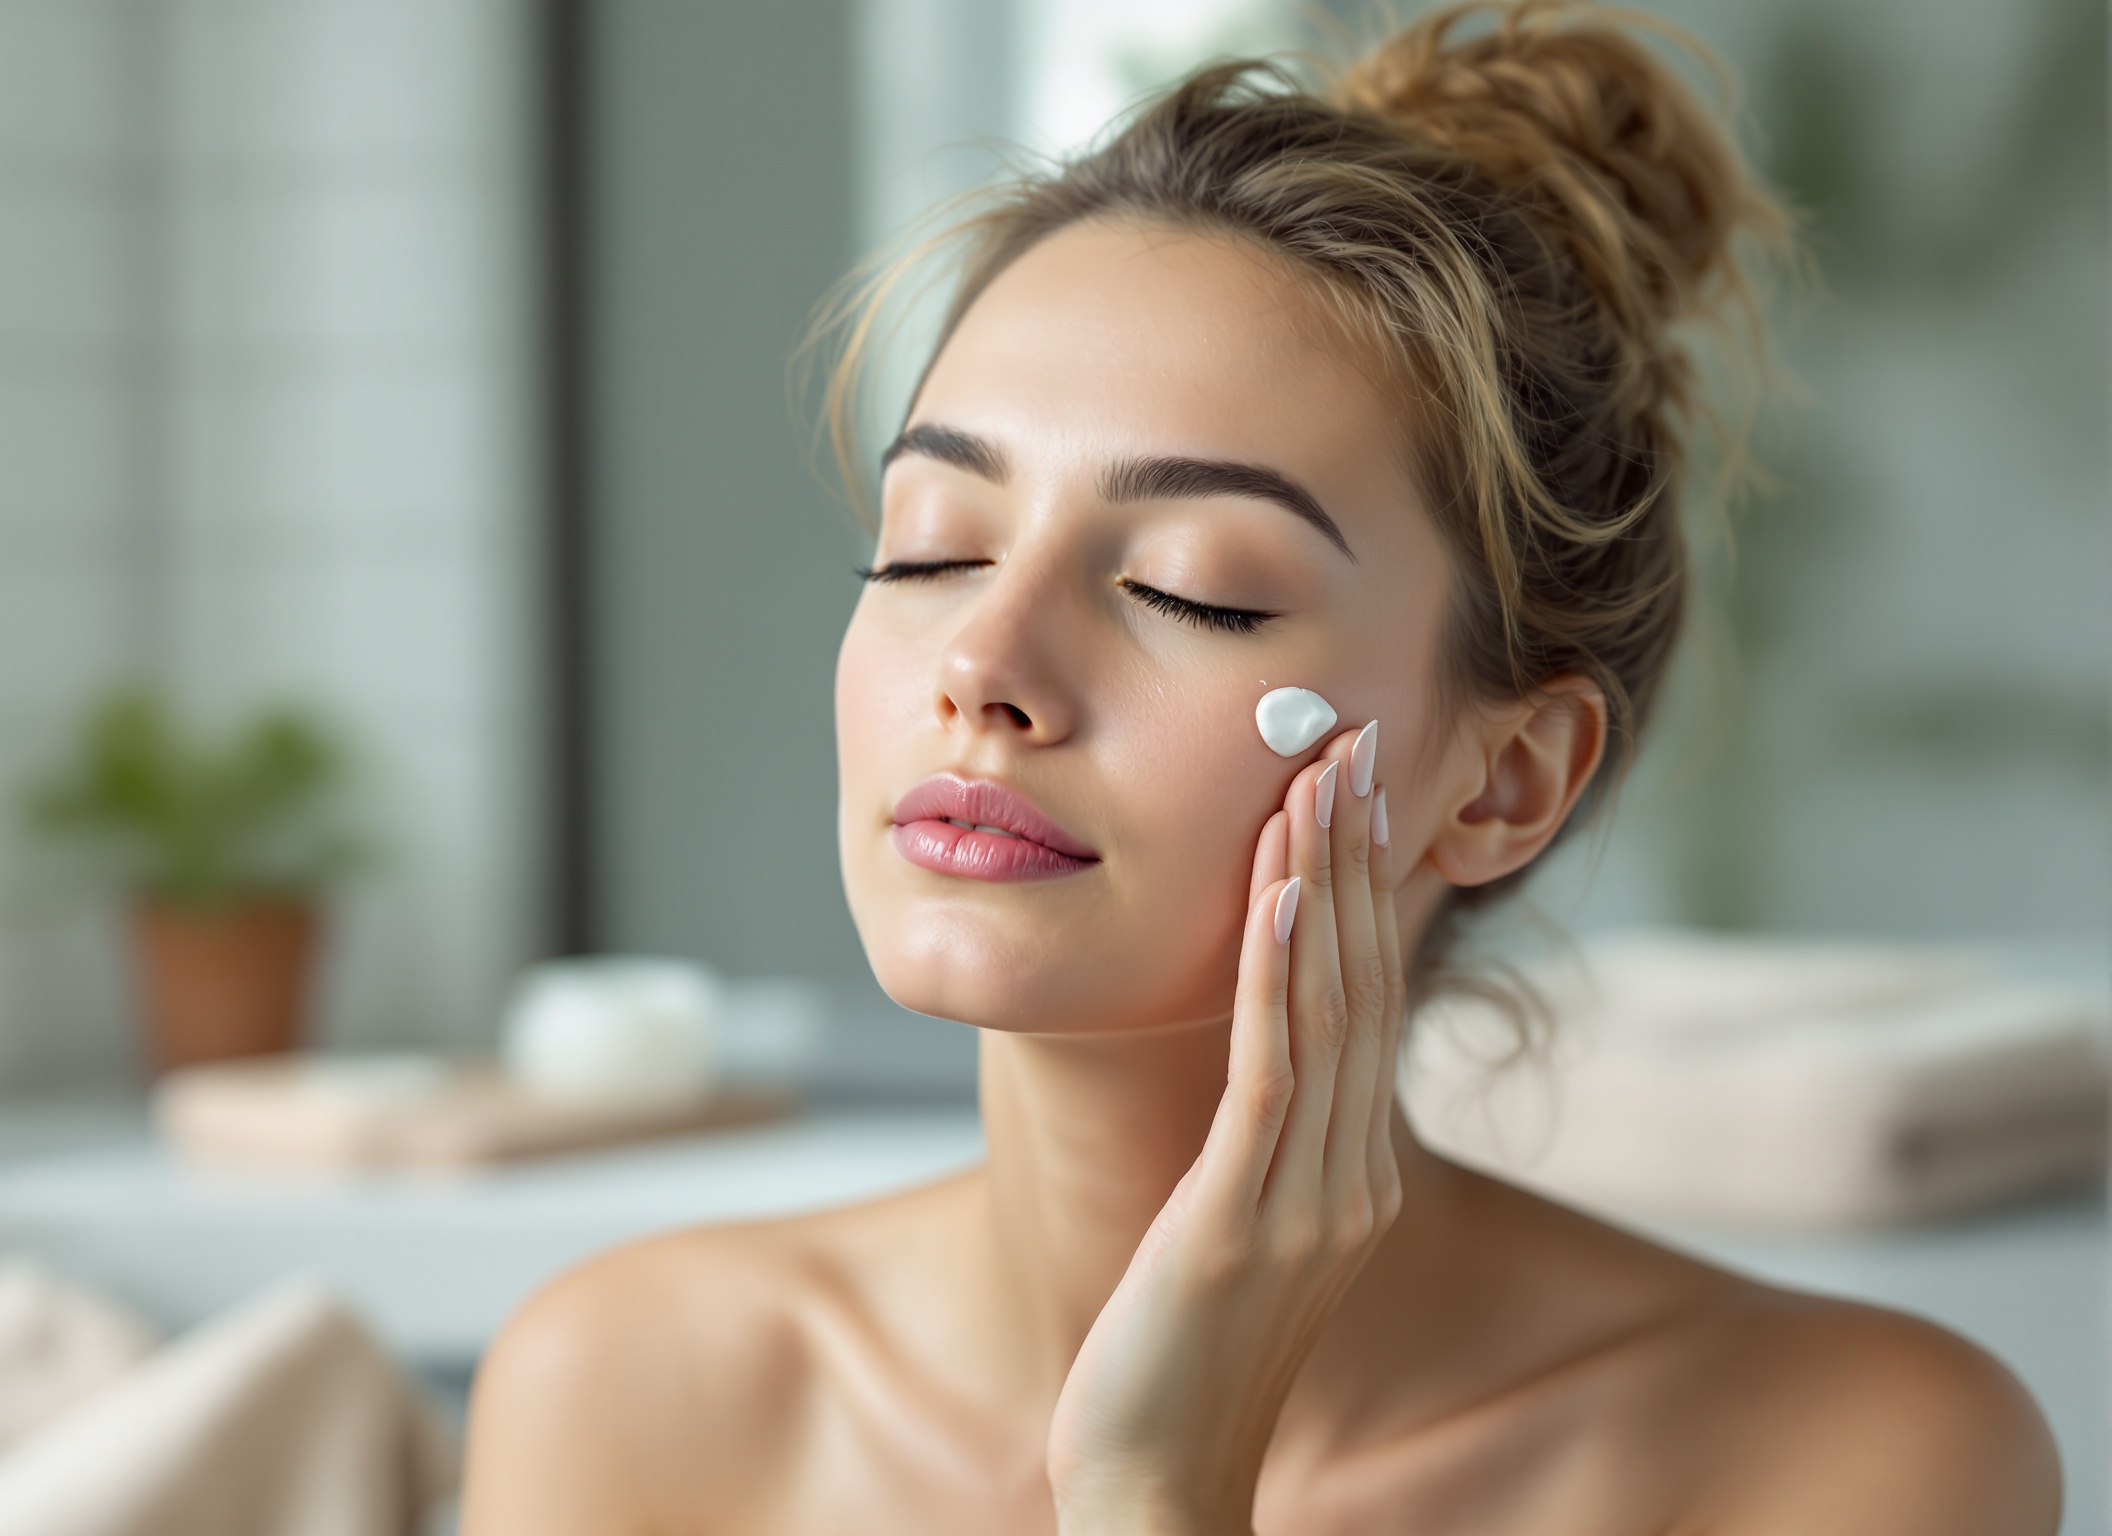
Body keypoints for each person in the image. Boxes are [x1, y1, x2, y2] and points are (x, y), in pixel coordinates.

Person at [460, 4, 2064, 1531]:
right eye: (933, 549)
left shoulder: (1849, 1457)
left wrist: (1154, 1491)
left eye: (1193, 591)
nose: (984, 667)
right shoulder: (634, 1395)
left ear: (1504, 781)